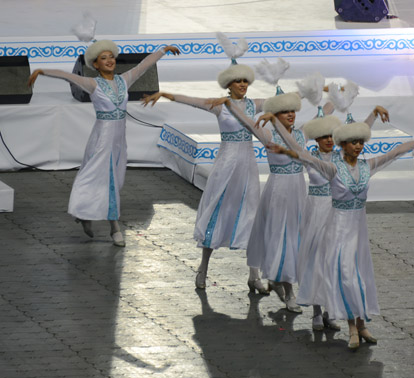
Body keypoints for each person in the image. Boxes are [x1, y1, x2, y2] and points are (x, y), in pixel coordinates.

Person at [258, 110, 414, 349]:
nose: (358, 146)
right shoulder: (332, 168)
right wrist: (283, 145)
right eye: (353, 142)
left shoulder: (366, 167)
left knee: (358, 277)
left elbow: (395, 151)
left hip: (357, 232)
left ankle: (359, 324)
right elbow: (303, 155)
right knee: (338, 272)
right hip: (332, 224)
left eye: (360, 142)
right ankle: (345, 324)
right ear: (341, 144)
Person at [142, 35, 270, 293]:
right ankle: (203, 267)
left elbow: (281, 104)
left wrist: (310, 93)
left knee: (251, 213)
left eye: (245, 80)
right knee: (217, 210)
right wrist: (166, 93)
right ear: (228, 84)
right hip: (226, 164)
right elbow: (191, 100)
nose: (243, 85)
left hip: (247, 164)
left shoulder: (254, 105)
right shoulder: (219, 106)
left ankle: (254, 275)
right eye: (238, 81)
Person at [27, 41, 180, 247]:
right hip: (101, 140)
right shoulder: (93, 84)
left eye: (111, 56)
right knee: (97, 179)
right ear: (96, 64)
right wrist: (41, 71)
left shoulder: (124, 80)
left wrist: (163, 50)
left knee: (114, 182)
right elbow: (67, 76)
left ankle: (86, 216)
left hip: (118, 141)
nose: (109, 61)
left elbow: (143, 66)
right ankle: (113, 228)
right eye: (103, 58)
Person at [225, 92, 333, 313]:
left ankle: (279, 281)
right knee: (283, 240)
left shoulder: (301, 135)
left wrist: (338, 96)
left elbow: (326, 113)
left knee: (296, 241)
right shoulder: (267, 134)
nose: (291, 115)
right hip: (279, 194)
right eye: (285, 112)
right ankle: (290, 293)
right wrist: (228, 104)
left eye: (292, 111)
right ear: (275, 114)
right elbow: (246, 121)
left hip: (298, 194)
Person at [296, 106, 389, 332]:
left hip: (339, 213)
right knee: (316, 261)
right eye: (323, 136)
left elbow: (359, 132)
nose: (328, 140)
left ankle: (331, 310)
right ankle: (317, 311)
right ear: (316, 139)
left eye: (331, 136)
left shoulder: (343, 158)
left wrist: (373, 115)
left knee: (339, 263)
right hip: (317, 211)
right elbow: (292, 144)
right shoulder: (311, 158)